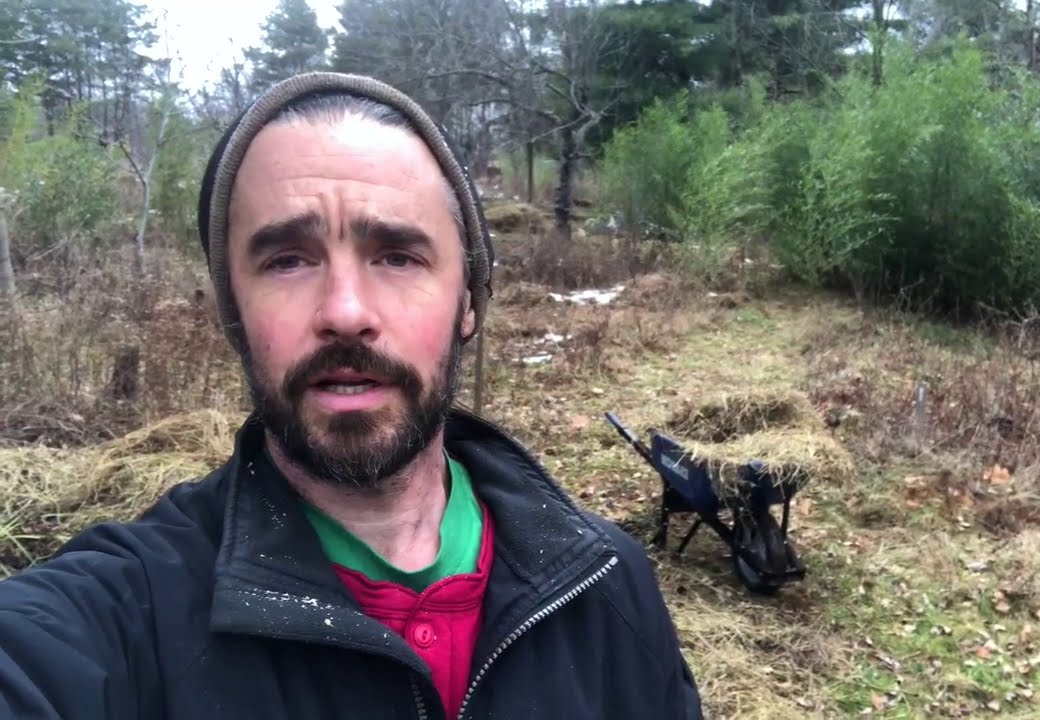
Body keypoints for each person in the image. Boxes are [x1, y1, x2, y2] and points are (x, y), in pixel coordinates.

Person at [0, 72, 702, 720]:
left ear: (468, 301)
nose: (344, 311)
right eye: (288, 260)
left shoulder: (609, 590)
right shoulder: (125, 615)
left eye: (398, 256)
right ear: (234, 310)